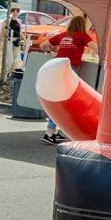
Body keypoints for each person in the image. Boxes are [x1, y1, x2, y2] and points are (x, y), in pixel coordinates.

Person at [42, 16, 92, 144]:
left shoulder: (63, 35)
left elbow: (43, 45)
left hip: (56, 68)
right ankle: (49, 132)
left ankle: (54, 131)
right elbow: (95, 47)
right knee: (63, 101)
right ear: (82, 25)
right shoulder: (82, 36)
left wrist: (51, 52)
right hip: (69, 70)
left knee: (58, 98)